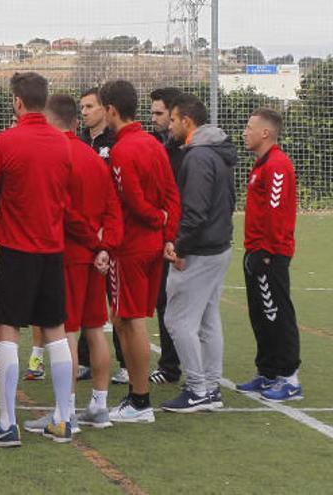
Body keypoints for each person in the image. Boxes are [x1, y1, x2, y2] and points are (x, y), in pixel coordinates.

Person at [0, 72, 73, 446]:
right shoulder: (63, 143)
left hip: (17, 248)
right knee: (55, 329)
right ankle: (64, 419)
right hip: (52, 247)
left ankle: (7, 423)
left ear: (18, 101)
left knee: (7, 327)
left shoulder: (4, 141)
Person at [99, 80, 180, 423]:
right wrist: (167, 231)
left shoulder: (123, 149)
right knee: (126, 319)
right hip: (151, 246)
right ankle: (136, 395)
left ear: (112, 110)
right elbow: (172, 194)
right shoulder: (154, 144)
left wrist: (154, 219)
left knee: (130, 322)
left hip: (131, 246)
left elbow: (132, 200)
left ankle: (139, 399)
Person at [48, 93, 122, 429]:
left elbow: (65, 211)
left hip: (71, 256)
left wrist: (95, 244)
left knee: (67, 331)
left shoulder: (58, 155)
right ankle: (100, 405)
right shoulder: (93, 157)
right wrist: (105, 246)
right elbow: (112, 207)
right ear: (76, 122)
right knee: (95, 330)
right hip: (97, 258)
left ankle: (66, 413)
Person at [160, 94, 236, 413]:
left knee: (177, 320)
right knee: (206, 318)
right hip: (218, 246)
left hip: (201, 250)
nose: (170, 125)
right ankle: (210, 385)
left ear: (187, 122)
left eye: (173, 120)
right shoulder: (218, 153)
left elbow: (195, 209)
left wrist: (180, 245)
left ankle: (198, 388)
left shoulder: (198, 156)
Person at [236, 108, 302, 402]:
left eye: (250, 127)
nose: (244, 132)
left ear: (265, 133)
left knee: (277, 314)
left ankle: (289, 378)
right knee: (261, 314)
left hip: (269, 255)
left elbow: (275, 213)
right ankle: (268, 372)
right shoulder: (261, 164)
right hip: (257, 251)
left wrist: (266, 251)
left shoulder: (277, 166)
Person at [73, 87, 127, 384]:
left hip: (109, 234)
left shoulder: (115, 143)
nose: (85, 112)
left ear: (105, 109)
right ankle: (83, 361)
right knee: (85, 303)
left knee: (115, 301)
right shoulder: (82, 143)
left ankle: (126, 362)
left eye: (90, 106)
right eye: (81, 107)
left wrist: (107, 231)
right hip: (85, 236)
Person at [148, 87, 185, 386]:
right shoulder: (165, 147)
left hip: (180, 241)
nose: (155, 119)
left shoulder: (186, 155)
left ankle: (175, 367)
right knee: (165, 301)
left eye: (160, 114)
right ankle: (172, 365)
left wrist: (177, 238)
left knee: (175, 304)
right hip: (169, 238)